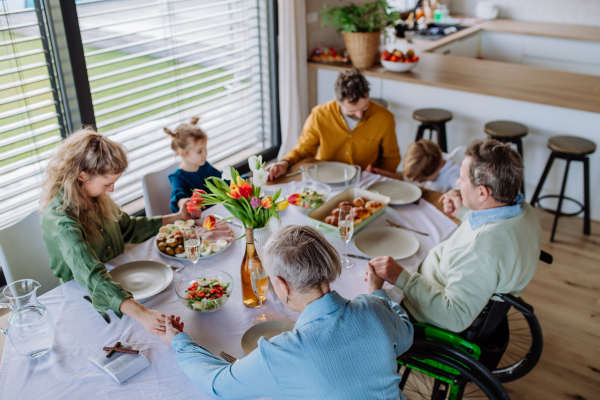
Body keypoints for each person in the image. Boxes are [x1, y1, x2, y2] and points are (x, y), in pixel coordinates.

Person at [160, 225, 414, 400]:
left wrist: (178, 341)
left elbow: (217, 385)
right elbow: (405, 337)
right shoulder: (375, 308)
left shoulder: (283, 352)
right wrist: (377, 294)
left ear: (282, 284)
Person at [368, 139, 543, 333]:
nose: (457, 184)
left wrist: (402, 279)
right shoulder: (521, 207)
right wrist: (463, 214)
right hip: (460, 281)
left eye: (462, 179)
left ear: (483, 193)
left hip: (424, 313)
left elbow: (455, 318)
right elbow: (494, 229)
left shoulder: (478, 251)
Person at [40, 130, 190, 335]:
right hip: (86, 298)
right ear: (82, 176)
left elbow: (126, 227)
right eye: (107, 184)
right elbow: (90, 274)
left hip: (122, 285)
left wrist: (176, 218)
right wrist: (142, 313)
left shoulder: (93, 194)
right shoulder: (62, 220)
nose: (111, 190)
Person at [265, 69, 401, 180]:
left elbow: (391, 158)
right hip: (325, 179)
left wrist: (379, 175)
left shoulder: (385, 118)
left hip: (365, 180)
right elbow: (303, 150)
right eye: (352, 110)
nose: (360, 115)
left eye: (364, 107)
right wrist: (285, 162)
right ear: (337, 100)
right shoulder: (320, 114)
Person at [166, 116, 221, 214]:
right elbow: (179, 199)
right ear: (182, 153)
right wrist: (186, 203)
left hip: (218, 214)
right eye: (199, 151)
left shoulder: (205, 167)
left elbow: (224, 181)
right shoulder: (178, 178)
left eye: (205, 149)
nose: (205, 154)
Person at [368, 139, 460, 193]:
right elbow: (406, 180)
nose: (419, 182)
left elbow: (463, 193)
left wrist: (454, 194)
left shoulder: (453, 175)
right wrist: (381, 173)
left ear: (436, 168)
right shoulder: (431, 163)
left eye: (423, 180)